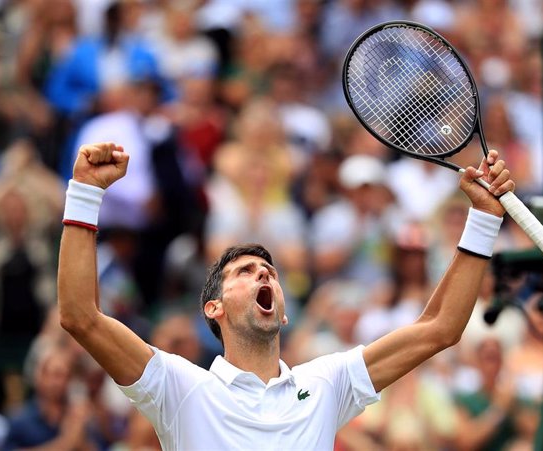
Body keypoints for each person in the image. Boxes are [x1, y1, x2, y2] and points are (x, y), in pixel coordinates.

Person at [57, 141, 514, 450]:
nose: (264, 276)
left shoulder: (326, 383)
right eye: (245, 271)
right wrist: (84, 193)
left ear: (283, 312)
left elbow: (440, 328)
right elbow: (80, 316)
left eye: (270, 273)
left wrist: (484, 219)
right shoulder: (179, 386)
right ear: (212, 308)